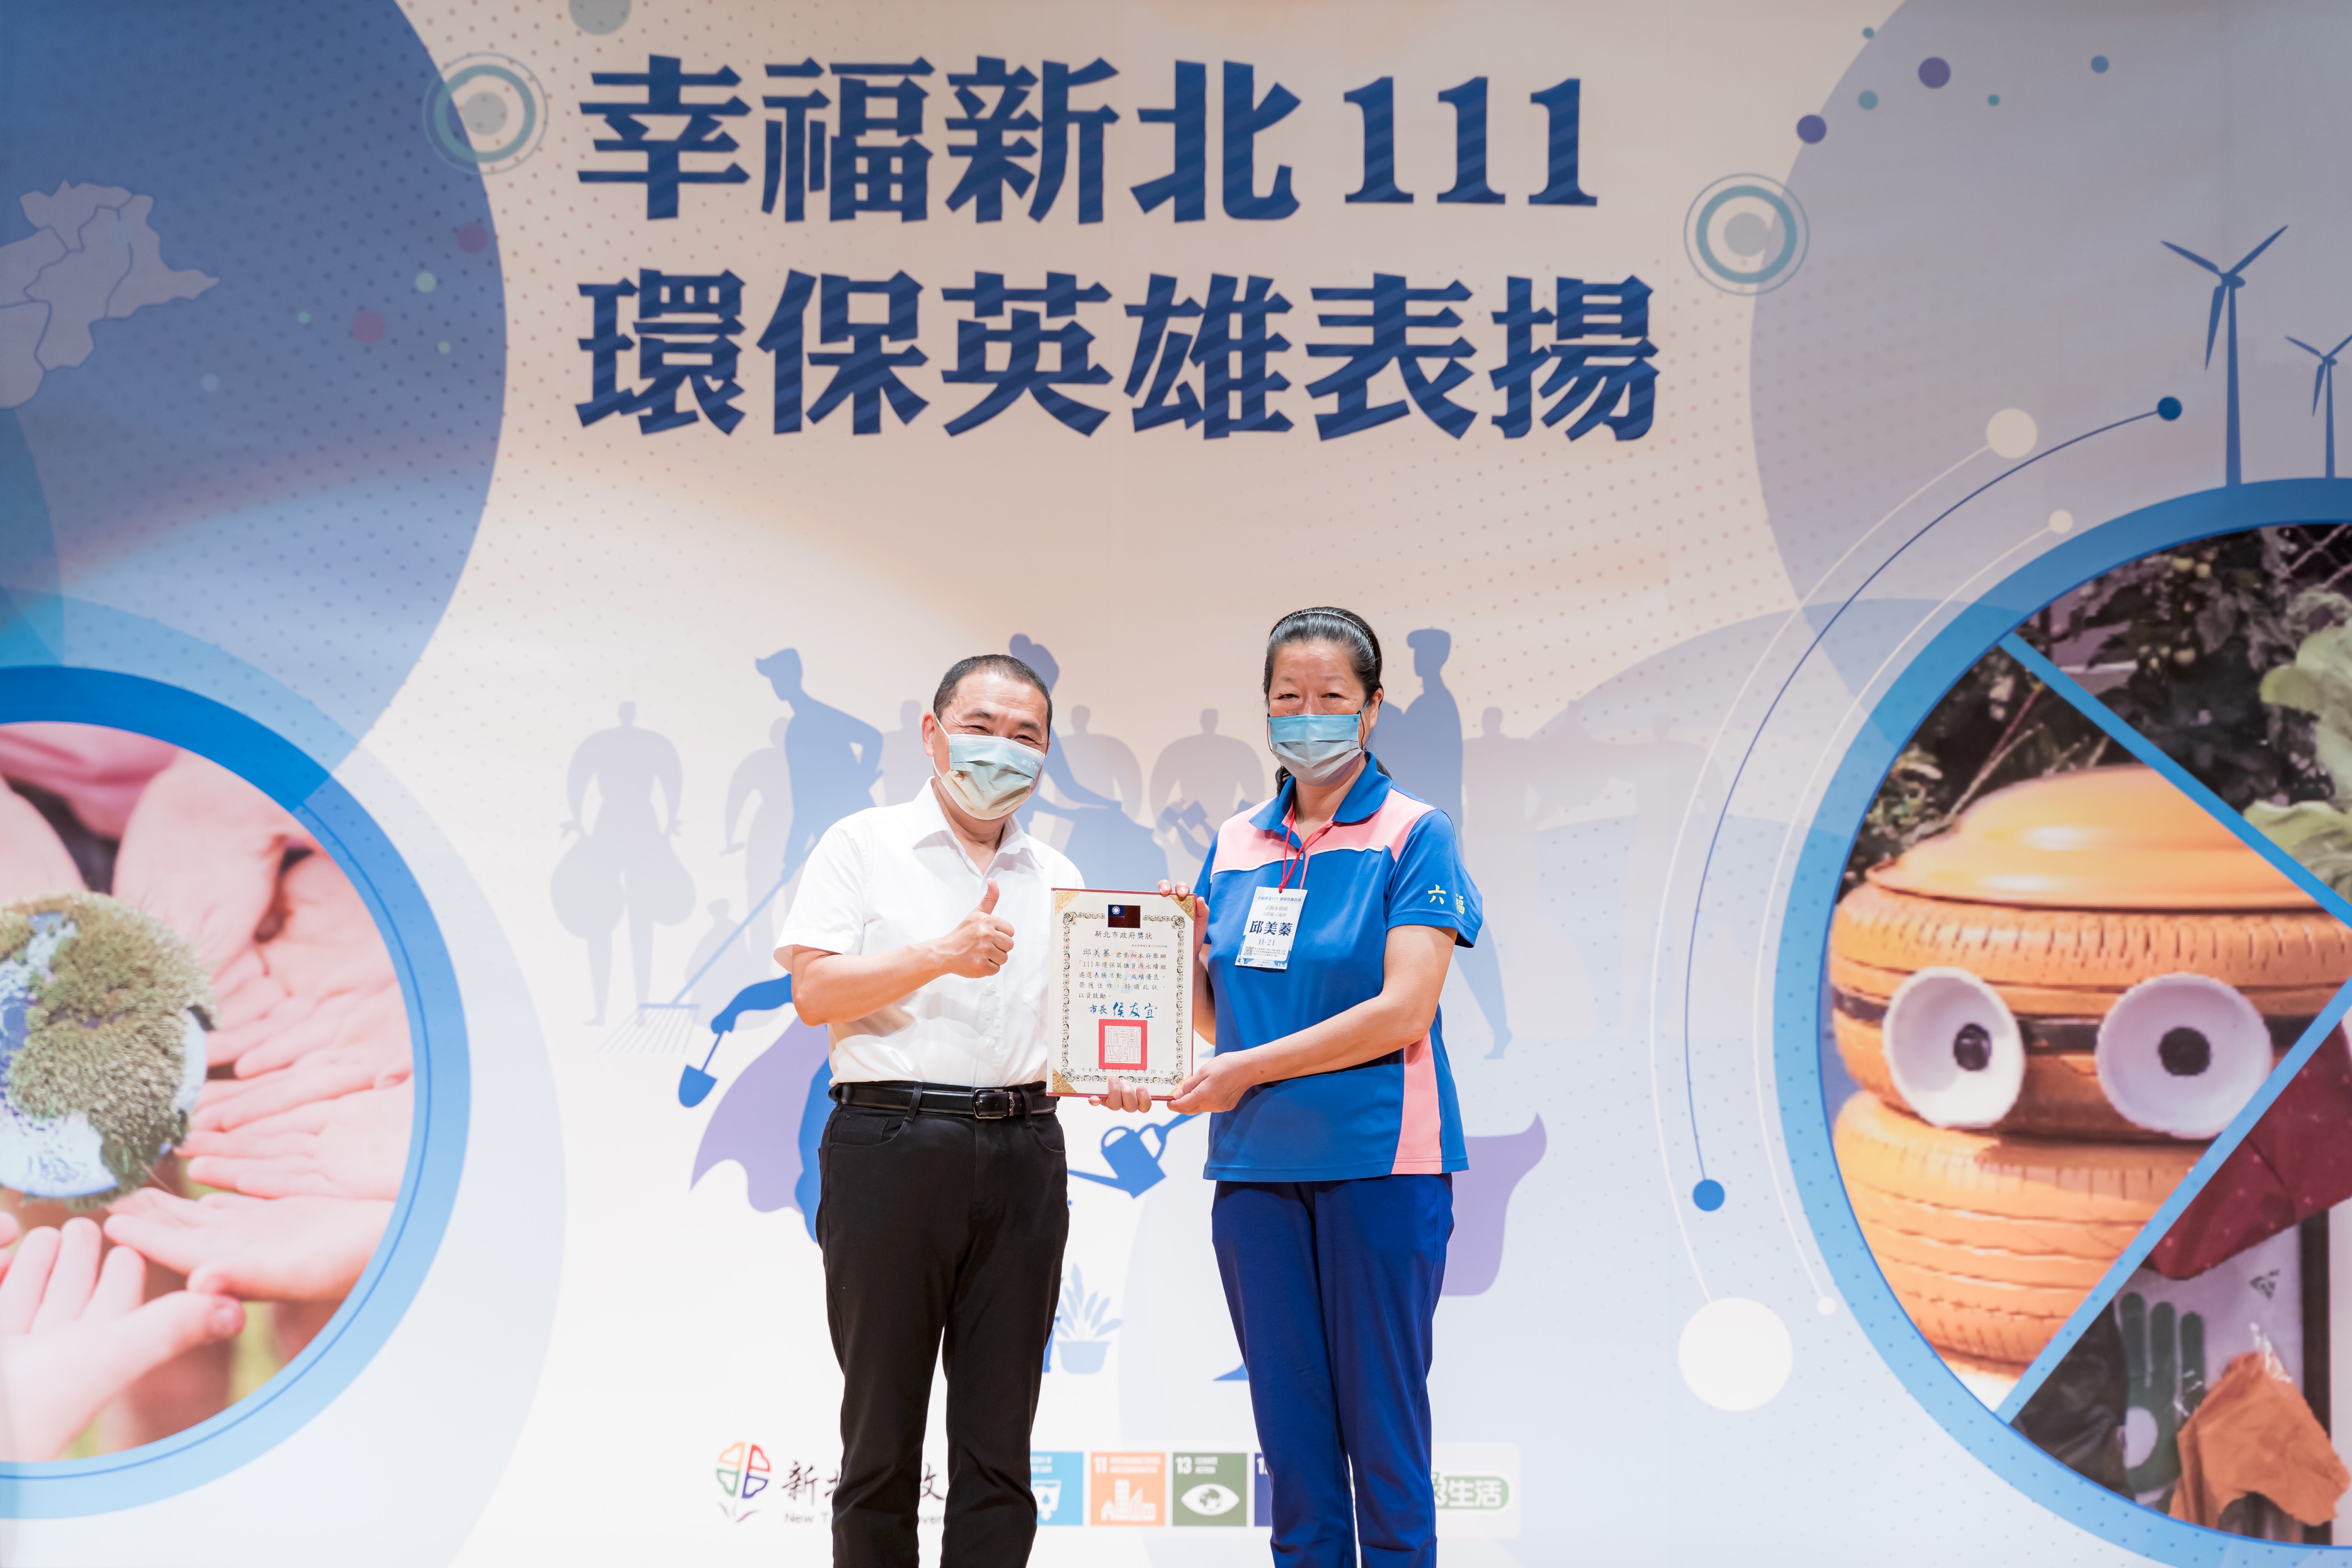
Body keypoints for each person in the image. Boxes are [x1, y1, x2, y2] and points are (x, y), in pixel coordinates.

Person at [776, 653, 1150, 1568]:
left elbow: (1074, 1029)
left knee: (999, 1444)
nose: (1001, 750)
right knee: (880, 1436)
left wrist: (1120, 1068)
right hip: (888, 1143)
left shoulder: (1056, 872)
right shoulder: (862, 844)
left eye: (1025, 736)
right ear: (932, 732)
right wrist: (940, 953)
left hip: (1024, 1148)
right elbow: (814, 993)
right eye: (981, 727)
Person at [1168, 607, 1479, 1568]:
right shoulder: (1235, 841)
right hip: (1254, 1171)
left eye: (1331, 697)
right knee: (1292, 1445)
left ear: (1372, 708)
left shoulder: (1413, 831)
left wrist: (1245, 1069)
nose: (1307, 717)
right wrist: (1181, 956)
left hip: (1379, 1163)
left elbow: (1403, 1011)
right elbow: (1224, 1021)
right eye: (1287, 698)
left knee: (1383, 1435)